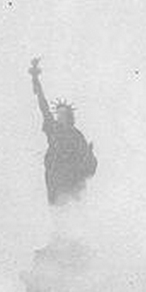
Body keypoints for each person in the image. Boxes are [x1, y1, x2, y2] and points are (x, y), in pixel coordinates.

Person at [29, 58, 97, 205]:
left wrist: (89, 153)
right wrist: (36, 81)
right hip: (55, 174)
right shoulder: (53, 128)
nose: (59, 116)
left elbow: (85, 157)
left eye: (63, 114)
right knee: (57, 207)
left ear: (68, 116)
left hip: (71, 176)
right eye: (58, 114)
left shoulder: (76, 134)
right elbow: (43, 106)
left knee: (72, 206)